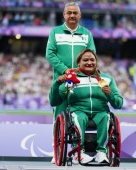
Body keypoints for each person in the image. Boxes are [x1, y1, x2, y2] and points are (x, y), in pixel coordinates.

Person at [49, 49, 123, 164]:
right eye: (85, 60)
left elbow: (118, 104)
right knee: (80, 118)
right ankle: (78, 152)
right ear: (79, 63)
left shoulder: (105, 79)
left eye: (92, 60)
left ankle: (101, 152)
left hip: (100, 111)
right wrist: (56, 84)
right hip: (79, 111)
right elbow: (55, 101)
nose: (89, 62)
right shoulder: (71, 79)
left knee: (106, 117)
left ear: (96, 62)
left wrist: (110, 94)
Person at [45, 2, 96, 163]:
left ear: (80, 15)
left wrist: (80, 72)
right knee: (59, 114)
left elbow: (91, 55)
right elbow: (50, 54)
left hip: (81, 81)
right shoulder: (55, 32)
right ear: (64, 15)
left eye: (75, 13)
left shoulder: (87, 34)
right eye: (69, 13)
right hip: (61, 81)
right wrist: (66, 70)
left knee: (77, 114)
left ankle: (76, 152)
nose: (72, 15)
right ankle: (57, 150)